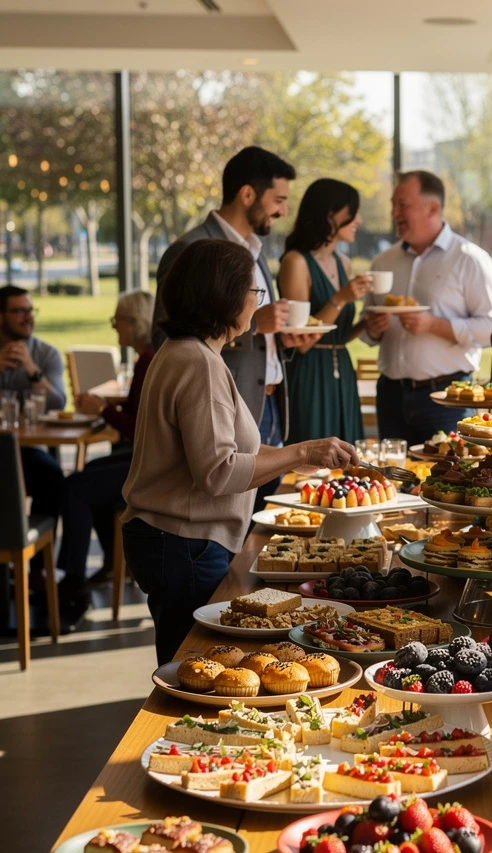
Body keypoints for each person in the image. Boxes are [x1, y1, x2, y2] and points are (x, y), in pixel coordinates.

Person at [123, 239, 357, 665]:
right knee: (194, 670)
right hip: (182, 545)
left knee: (193, 666)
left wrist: (306, 457)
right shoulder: (198, 364)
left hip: (174, 541)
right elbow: (219, 473)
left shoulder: (185, 353)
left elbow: (228, 450)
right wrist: (302, 449)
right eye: (255, 291)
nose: (257, 301)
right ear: (226, 296)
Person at [152, 146, 301, 512]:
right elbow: (166, 338)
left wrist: (284, 334)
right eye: (278, 200)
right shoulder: (189, 250)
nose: (283, 211)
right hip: (222, 416)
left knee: (260, 529)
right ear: (247, 194)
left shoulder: (256, 250)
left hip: (267, 405)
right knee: (237, 531)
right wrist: (254, 329)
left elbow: (258, 325)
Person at [362, 170, 492, 443]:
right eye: (394, 204)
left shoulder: (470, 260)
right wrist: (373, 328)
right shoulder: (383, 262)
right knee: (393, 480)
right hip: (390, 396)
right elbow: (368, 332)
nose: (394, 212)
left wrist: (432, 325)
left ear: (433, 207)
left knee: (447, 481)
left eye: (402, 205)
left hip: (447, 398)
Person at [57, 290, 156, 627]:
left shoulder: (150, 358)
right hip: (145, 458)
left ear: (134, 322)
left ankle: (73, 582)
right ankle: (111, 563)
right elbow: (134, 417)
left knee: (75, 487)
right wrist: (107, 409)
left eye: (118, 321)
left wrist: (102, 409)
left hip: (149, 467)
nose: (115, 327)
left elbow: (138, 427)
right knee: (86, 476)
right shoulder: (147, 357)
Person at [277, 178, 369, 444]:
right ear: (330, 214)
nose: (359, 220)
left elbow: (336, 336)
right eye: (352, 212)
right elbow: (302, 342)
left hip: (343, 376)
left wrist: (366, 324)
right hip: (310, 376)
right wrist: (341, 298)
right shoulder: (296, 263)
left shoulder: (344, 263)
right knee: (311, 463)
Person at [0, 285, 66, 533]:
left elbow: (59, 403)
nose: (28, 318)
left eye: (30, 310)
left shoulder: (46, 354)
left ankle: (39, 565)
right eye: (19, 311)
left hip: (25, 451)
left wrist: (32, 370)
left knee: (52, 477)